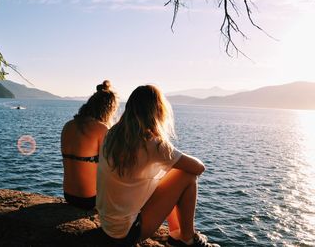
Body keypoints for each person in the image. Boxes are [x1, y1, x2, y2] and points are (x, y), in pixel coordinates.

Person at [96, 85, 220, 247]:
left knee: (174, 170)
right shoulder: (152, 143)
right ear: (157, 111)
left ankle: (177, 235)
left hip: (107, 225)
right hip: (126, 234)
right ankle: (187, 239)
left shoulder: (112, 133)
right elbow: (199, 168)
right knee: (187, 175)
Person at [61, 80, 118, 210]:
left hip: (68, 195)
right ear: (108, 109)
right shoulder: (101, 129)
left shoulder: (68, 126)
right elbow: (113, 167)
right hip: (90, 200)